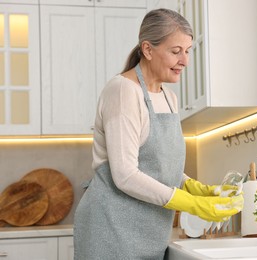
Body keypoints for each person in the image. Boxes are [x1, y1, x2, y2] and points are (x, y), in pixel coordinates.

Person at [73, 8, 244, 260]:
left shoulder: (169, 98)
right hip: (111, 226)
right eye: (176, 51)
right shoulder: (123, 92)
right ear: (148, 49)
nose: (185, 61)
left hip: (150, 229)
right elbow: (126, 175)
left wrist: (195, 187)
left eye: (188, 51)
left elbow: (161, 164)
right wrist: (192, 204)